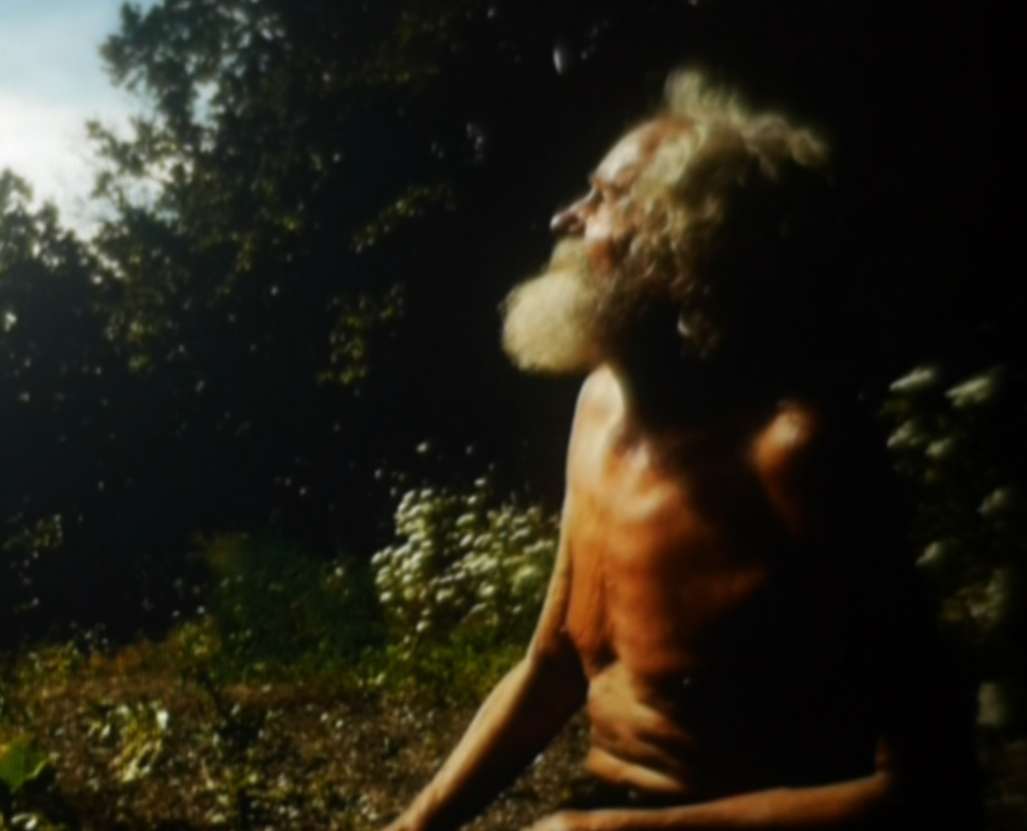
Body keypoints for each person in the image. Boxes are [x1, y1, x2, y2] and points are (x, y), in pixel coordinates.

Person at [380, 72, 980, 831]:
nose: (565, 217)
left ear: (683, 244)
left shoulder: (798, 453)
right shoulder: (598, 405)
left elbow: (930, 793)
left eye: (605, 197)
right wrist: (414, 825)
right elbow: (554, 666)